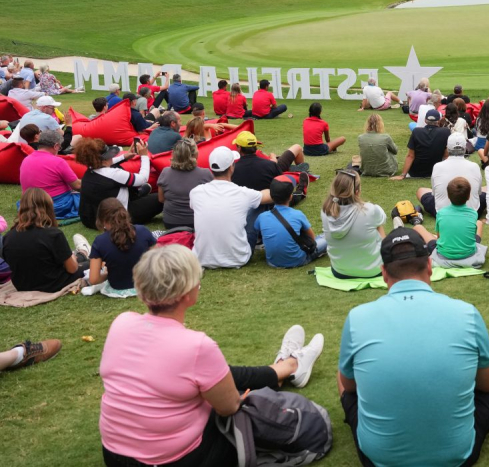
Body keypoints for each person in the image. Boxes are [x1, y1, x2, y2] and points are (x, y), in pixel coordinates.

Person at [99, 246, 324, 466]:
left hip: (114, 455)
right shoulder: (196, 346)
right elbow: (228, 407)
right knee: (244, 402)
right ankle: (289, 368)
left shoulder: (122, 323)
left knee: (208, 376)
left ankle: (285, 367)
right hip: (177, 459)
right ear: (188, 293)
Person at [337, 226, 489, 466]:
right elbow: (487, 385)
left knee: (343, 374)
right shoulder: (466, 313)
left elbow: (349, 386)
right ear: (430, 267)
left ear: (383, 273)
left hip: (378, 458)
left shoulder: (357, 318)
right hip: (456, 456)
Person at [190, 147, 272, 269]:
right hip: (238, 258)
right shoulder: (242, 193)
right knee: (258, 206)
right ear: (231, 167)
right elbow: (270, 196)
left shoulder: (196, 192)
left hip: (201, 258)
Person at [2, 188, 87, 292]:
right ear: (48, 207)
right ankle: (83, 253)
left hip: (22, 285)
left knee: (72, 257)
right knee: (93, 263)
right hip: (52, 283)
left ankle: (82, 253)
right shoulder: (53, 234)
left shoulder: (8, 237)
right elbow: (72, 269)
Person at [77, 137, 161, 228]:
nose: (112, 156)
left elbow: (108, 163)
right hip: (119, 219)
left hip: (91, 220)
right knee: (162, 196)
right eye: (109, 155)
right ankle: (137, 195)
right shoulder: (113, 174)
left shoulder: (89, 172)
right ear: (104, 159)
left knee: (140, 187)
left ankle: (137, 194)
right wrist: (145, 156)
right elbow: (142, 179)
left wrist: (126, 156)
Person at [322, 168, 386, 279]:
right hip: (374, 270)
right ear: (357, 191)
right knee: (377, 225)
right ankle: (385, 254)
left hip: (340, 271)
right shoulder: (370, 210)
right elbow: (381, 219)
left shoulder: (325, 211)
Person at [83, 198, 156, 293]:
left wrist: (107, 274)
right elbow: (158, 260)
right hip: (146, 283)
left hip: (118, 287)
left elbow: (94, 279)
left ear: (102, 220)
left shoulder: (99, 241)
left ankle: (83, 249)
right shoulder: (143, 230)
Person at [255, 177, 327, 268]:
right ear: (290, 197)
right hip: (298, 260)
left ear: (271, 196)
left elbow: (257, 234)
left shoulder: (262, 217)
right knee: (327, 237)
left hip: (272, 262)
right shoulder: (297, 214)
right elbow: (312, 239)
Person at [416, 133, 484, 218]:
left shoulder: (438, 166)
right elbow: (479, 192)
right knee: (487, 189)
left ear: (447, 148)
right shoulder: (474, 166)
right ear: (465, 148)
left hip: (444, 212)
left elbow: (434, 193)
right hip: (471, 212)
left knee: (421, 191)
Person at [19, 129, 81, 220]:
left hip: (29, 204)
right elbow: (77, 186)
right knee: (87, 198)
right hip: (56, 205)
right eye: (60, 147)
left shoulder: (26, 159)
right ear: (56, 146)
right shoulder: (58, 162)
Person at [156, 138, 212, 230]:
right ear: (194, 155)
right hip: (197, 223)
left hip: (171, 223)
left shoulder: (165, 172)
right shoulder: (205, 174)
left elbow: (161, 199)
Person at [393, 110, 450, 179]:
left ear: (425, 120)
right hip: (435, 171)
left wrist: (402, 175)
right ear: (438, 121)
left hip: (416, 172)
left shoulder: (416, 131)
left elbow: (410, 156)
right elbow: (446, 155)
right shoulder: (445, 132)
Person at [358, 112, 398, 177]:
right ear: (380, 123)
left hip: (366, 170)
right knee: (390, 152)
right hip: (387, 170)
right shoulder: (386, 137)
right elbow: (395, 151)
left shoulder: (361, 137)